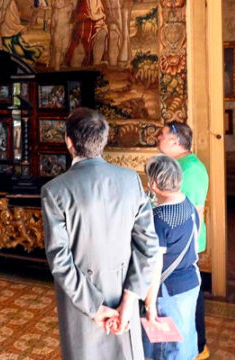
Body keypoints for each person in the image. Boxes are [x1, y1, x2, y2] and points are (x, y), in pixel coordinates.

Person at [42, 107, 159, 360]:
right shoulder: (131, 180)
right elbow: (148, 246)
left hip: (81, 304)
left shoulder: (55, 190)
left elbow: (60, 262)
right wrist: (131, 298)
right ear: (104, 140)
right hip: (124, 299)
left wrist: (94, 307)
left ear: (69, 142)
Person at [156, 120, 210, 359]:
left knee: (189, 297)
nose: (158, 136)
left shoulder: (191, 169)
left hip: (184, 248)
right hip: (173, 244)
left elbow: (196, 212)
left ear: (174, 141)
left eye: (162, 134)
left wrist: (188, 251)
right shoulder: (177, 165)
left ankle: (198, 347)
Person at [142, 155, 201, 360]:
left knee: (165, 349)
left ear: (154, 184)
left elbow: (154, 267)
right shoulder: (188, 204)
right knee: (184, 341)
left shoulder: (159, 218)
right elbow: (196, 233)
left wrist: (149, 306)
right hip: (191, 282)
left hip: (168, 291)